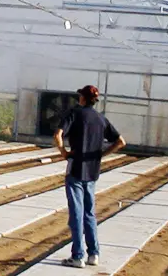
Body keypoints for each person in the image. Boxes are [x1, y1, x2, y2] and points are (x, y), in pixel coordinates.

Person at [53, 85, 126, 268]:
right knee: (89, 213)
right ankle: (93, 254)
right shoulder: (101, 119)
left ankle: (77, 256)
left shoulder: (74, 114)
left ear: (82, 98)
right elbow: (121, 142)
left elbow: (58, 134)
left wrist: (63, 152)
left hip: (75, 169)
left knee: (76, 213)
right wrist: (102, 154)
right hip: (92, 172)